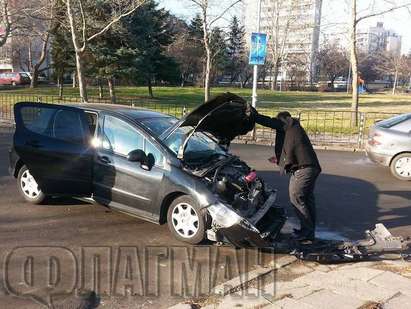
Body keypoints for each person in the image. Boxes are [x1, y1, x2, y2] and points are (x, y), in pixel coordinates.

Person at [253, 110, 321, 242]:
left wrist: (254, 116)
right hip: (310, 167)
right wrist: (280, 159)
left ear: (283, 120)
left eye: (278, 122)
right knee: (307, 200)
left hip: (303, 170)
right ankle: (308, 231)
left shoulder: (288, 124)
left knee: (296, 198)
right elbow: (293, 149)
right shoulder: (294, 129)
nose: (277, 126)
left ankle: (307, 233)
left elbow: (269, 122)